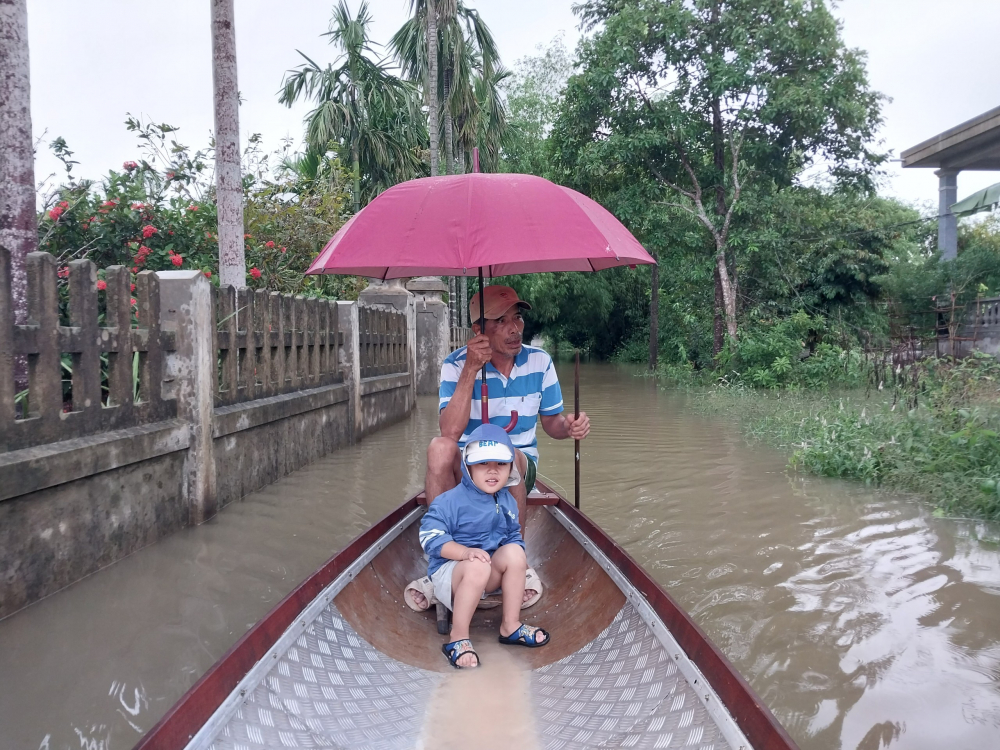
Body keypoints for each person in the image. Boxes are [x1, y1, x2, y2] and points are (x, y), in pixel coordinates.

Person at [419, 423, 550, 668]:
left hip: (484, 572)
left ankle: (510, 626)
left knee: (515, 552)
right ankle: (457, 637)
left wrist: (511, 558)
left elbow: (512, 537)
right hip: (451, 574)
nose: (492, 471)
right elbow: (430, 538)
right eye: (483, 464)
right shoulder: (450, 501)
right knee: (476, 565)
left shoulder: (506, 501)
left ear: (511, 467)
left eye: (500, 464)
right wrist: (465, 553)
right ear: (467, 468)